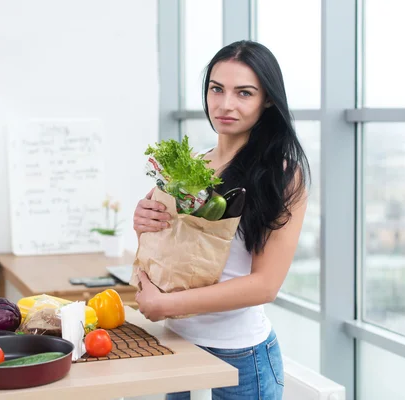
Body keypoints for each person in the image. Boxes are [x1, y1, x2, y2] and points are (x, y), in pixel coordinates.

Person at [133, 40, 310, 399]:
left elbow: (265, 286)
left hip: (240, 359)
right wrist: (144, 223)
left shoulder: (281, 175)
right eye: (217, 89)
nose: (225, 104)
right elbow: (175, 254)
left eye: (244, 93)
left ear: (268, 100)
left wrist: (165, 306)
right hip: (179, 346)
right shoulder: (193, 164)